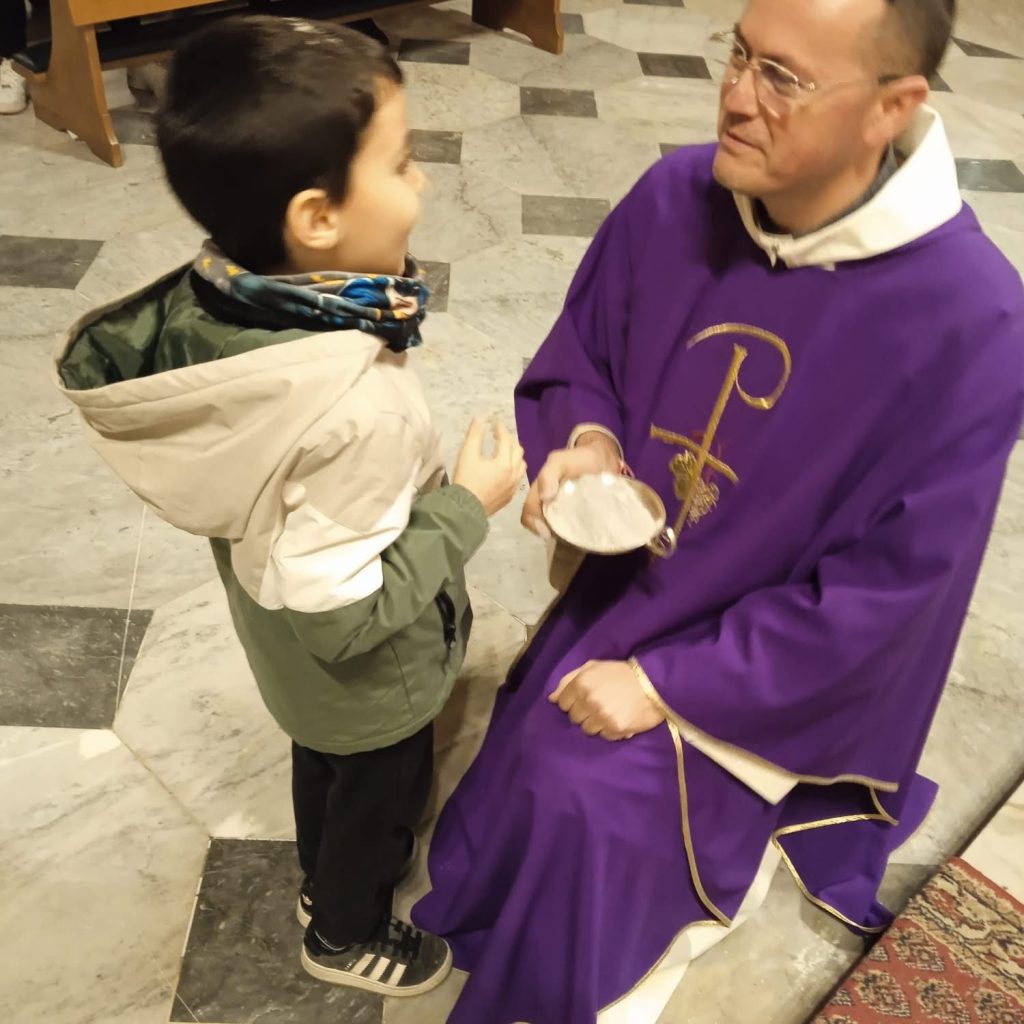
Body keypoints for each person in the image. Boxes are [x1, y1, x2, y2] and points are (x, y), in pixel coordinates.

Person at [413, 0, 1024, 1021]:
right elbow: (585, 354)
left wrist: (666, 683)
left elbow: (885, 596)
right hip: (638, 578)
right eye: (736, 53)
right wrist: (587, 443)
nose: (735, 96)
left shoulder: (977, 325)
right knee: (522, 756)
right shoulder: (673, 196)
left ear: (894, 105)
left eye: (782, 78)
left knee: (584, 800)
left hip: (771, 662)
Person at [54, 16, 525, 1000]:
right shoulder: (348, 410)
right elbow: (345, 618)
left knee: (327, 765)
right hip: (365, 674)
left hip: (288, 648)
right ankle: (344, 928)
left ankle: (330, 872)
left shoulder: (226, 294)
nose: (424, 183)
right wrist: (466, 509)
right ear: (314, 218)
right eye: (402, 163)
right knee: (378, 788)